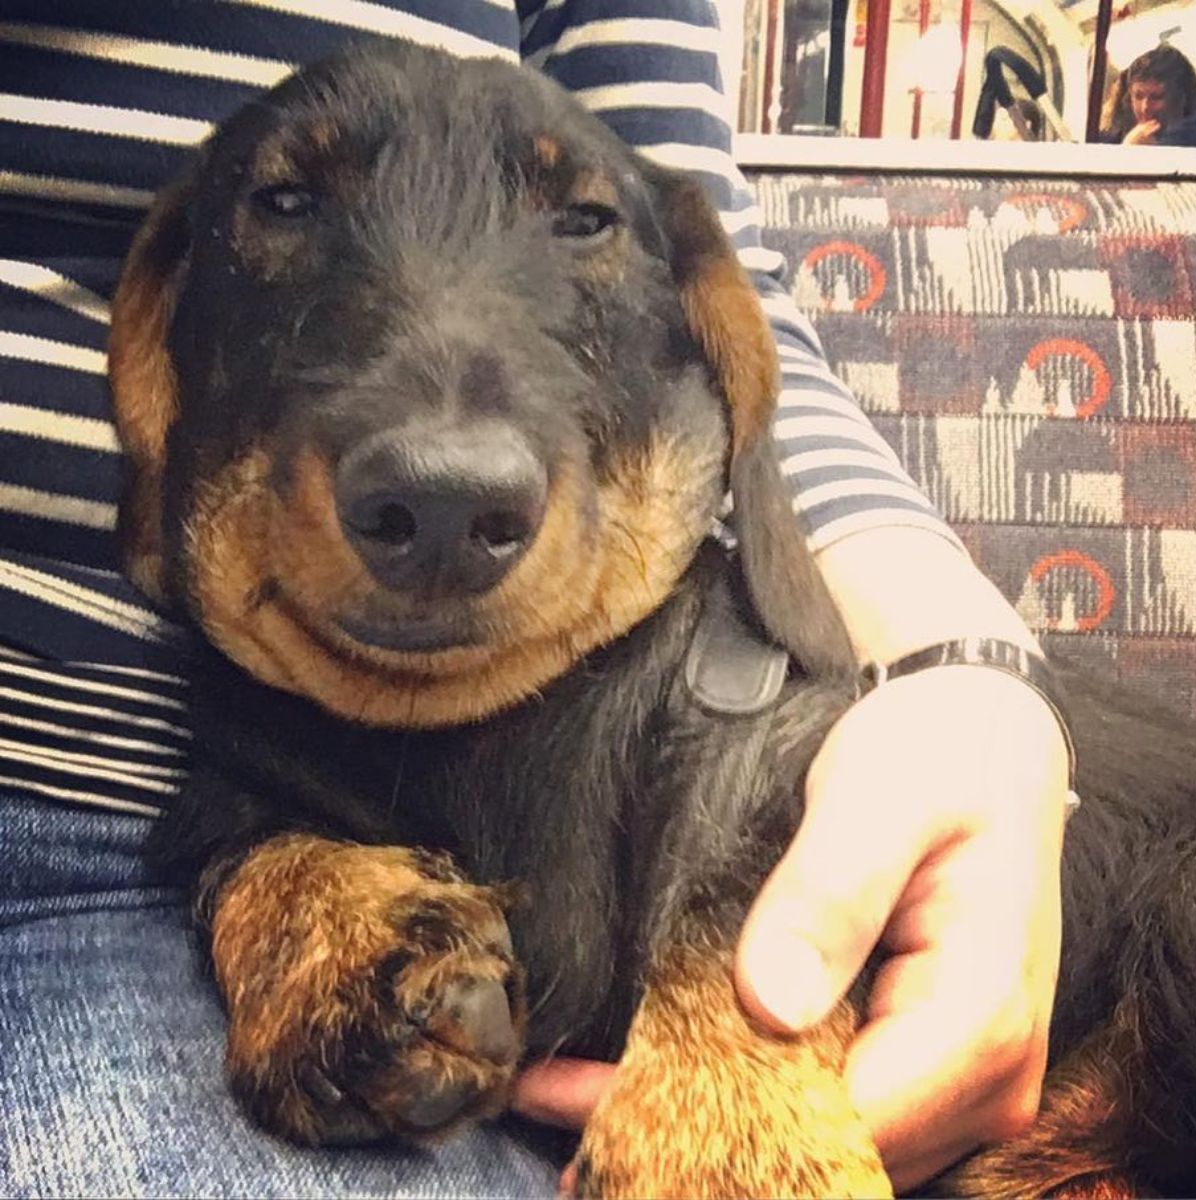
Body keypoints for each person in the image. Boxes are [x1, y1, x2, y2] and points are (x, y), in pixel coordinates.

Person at [0, 2, 1071, 1195]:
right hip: (147, 789)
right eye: (288, 204)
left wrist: (971, 673)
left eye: (580, 222)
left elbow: (702, 257)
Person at [1099, 42, 1196, 145]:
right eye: (1138, 96)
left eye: (1156, 97)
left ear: (1181, 98)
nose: (1145, 107)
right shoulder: (1114, 131)